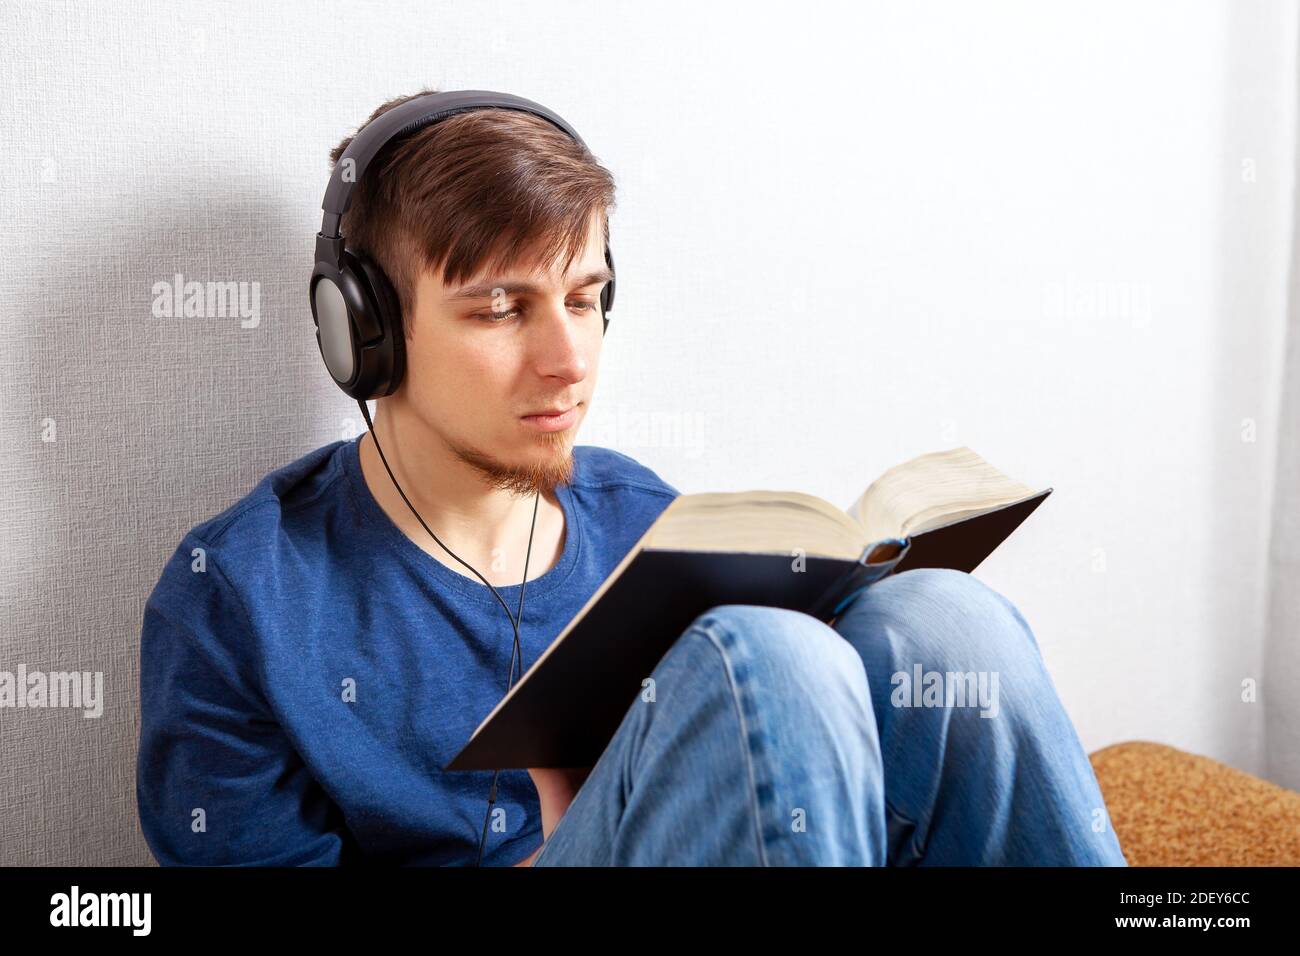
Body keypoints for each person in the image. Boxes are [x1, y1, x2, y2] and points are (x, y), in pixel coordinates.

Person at [136, 89, 1127, 867]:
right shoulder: (236, 598)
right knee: (765, 659)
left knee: (946, 622)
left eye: (585, 297)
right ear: (368, 334)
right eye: (501, 309)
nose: (569, 360)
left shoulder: (639, 516)